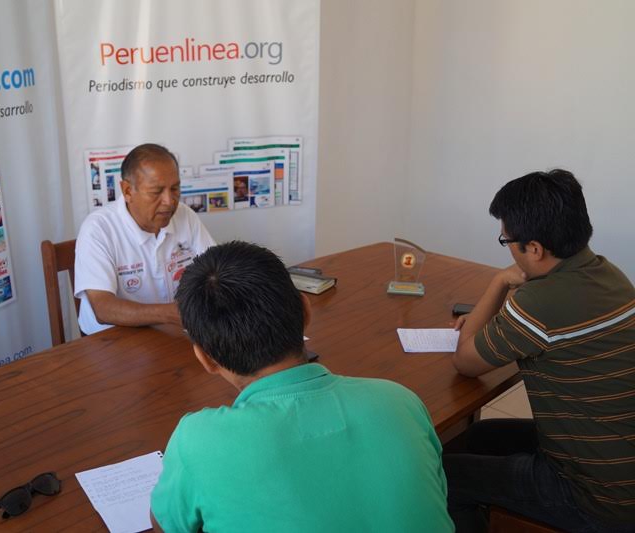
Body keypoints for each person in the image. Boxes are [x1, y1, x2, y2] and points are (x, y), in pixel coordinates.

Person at [150, 241, 453, 533]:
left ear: (205, 358)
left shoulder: (198, 442)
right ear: (306, 312)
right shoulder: (400, 401)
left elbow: (166, 525)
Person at [447, 169, 635, 532]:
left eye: (506, 240)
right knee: (480, 436)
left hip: (596, 498)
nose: (507, 249)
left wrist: (499, 281)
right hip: (619, 465)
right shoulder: (610, 274)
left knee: (448, 475)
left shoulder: (537, 303)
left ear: (534, 249)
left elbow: (465, 361)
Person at [74, 143, 215, 334]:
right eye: (156, 192)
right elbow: (103, 308)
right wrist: (173, 313)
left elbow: (215, 269)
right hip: (113, 337)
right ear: (127, 191)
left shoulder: (185, 215)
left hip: (170, 331)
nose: (169, 201)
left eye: (175, 188)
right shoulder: (98, 229)